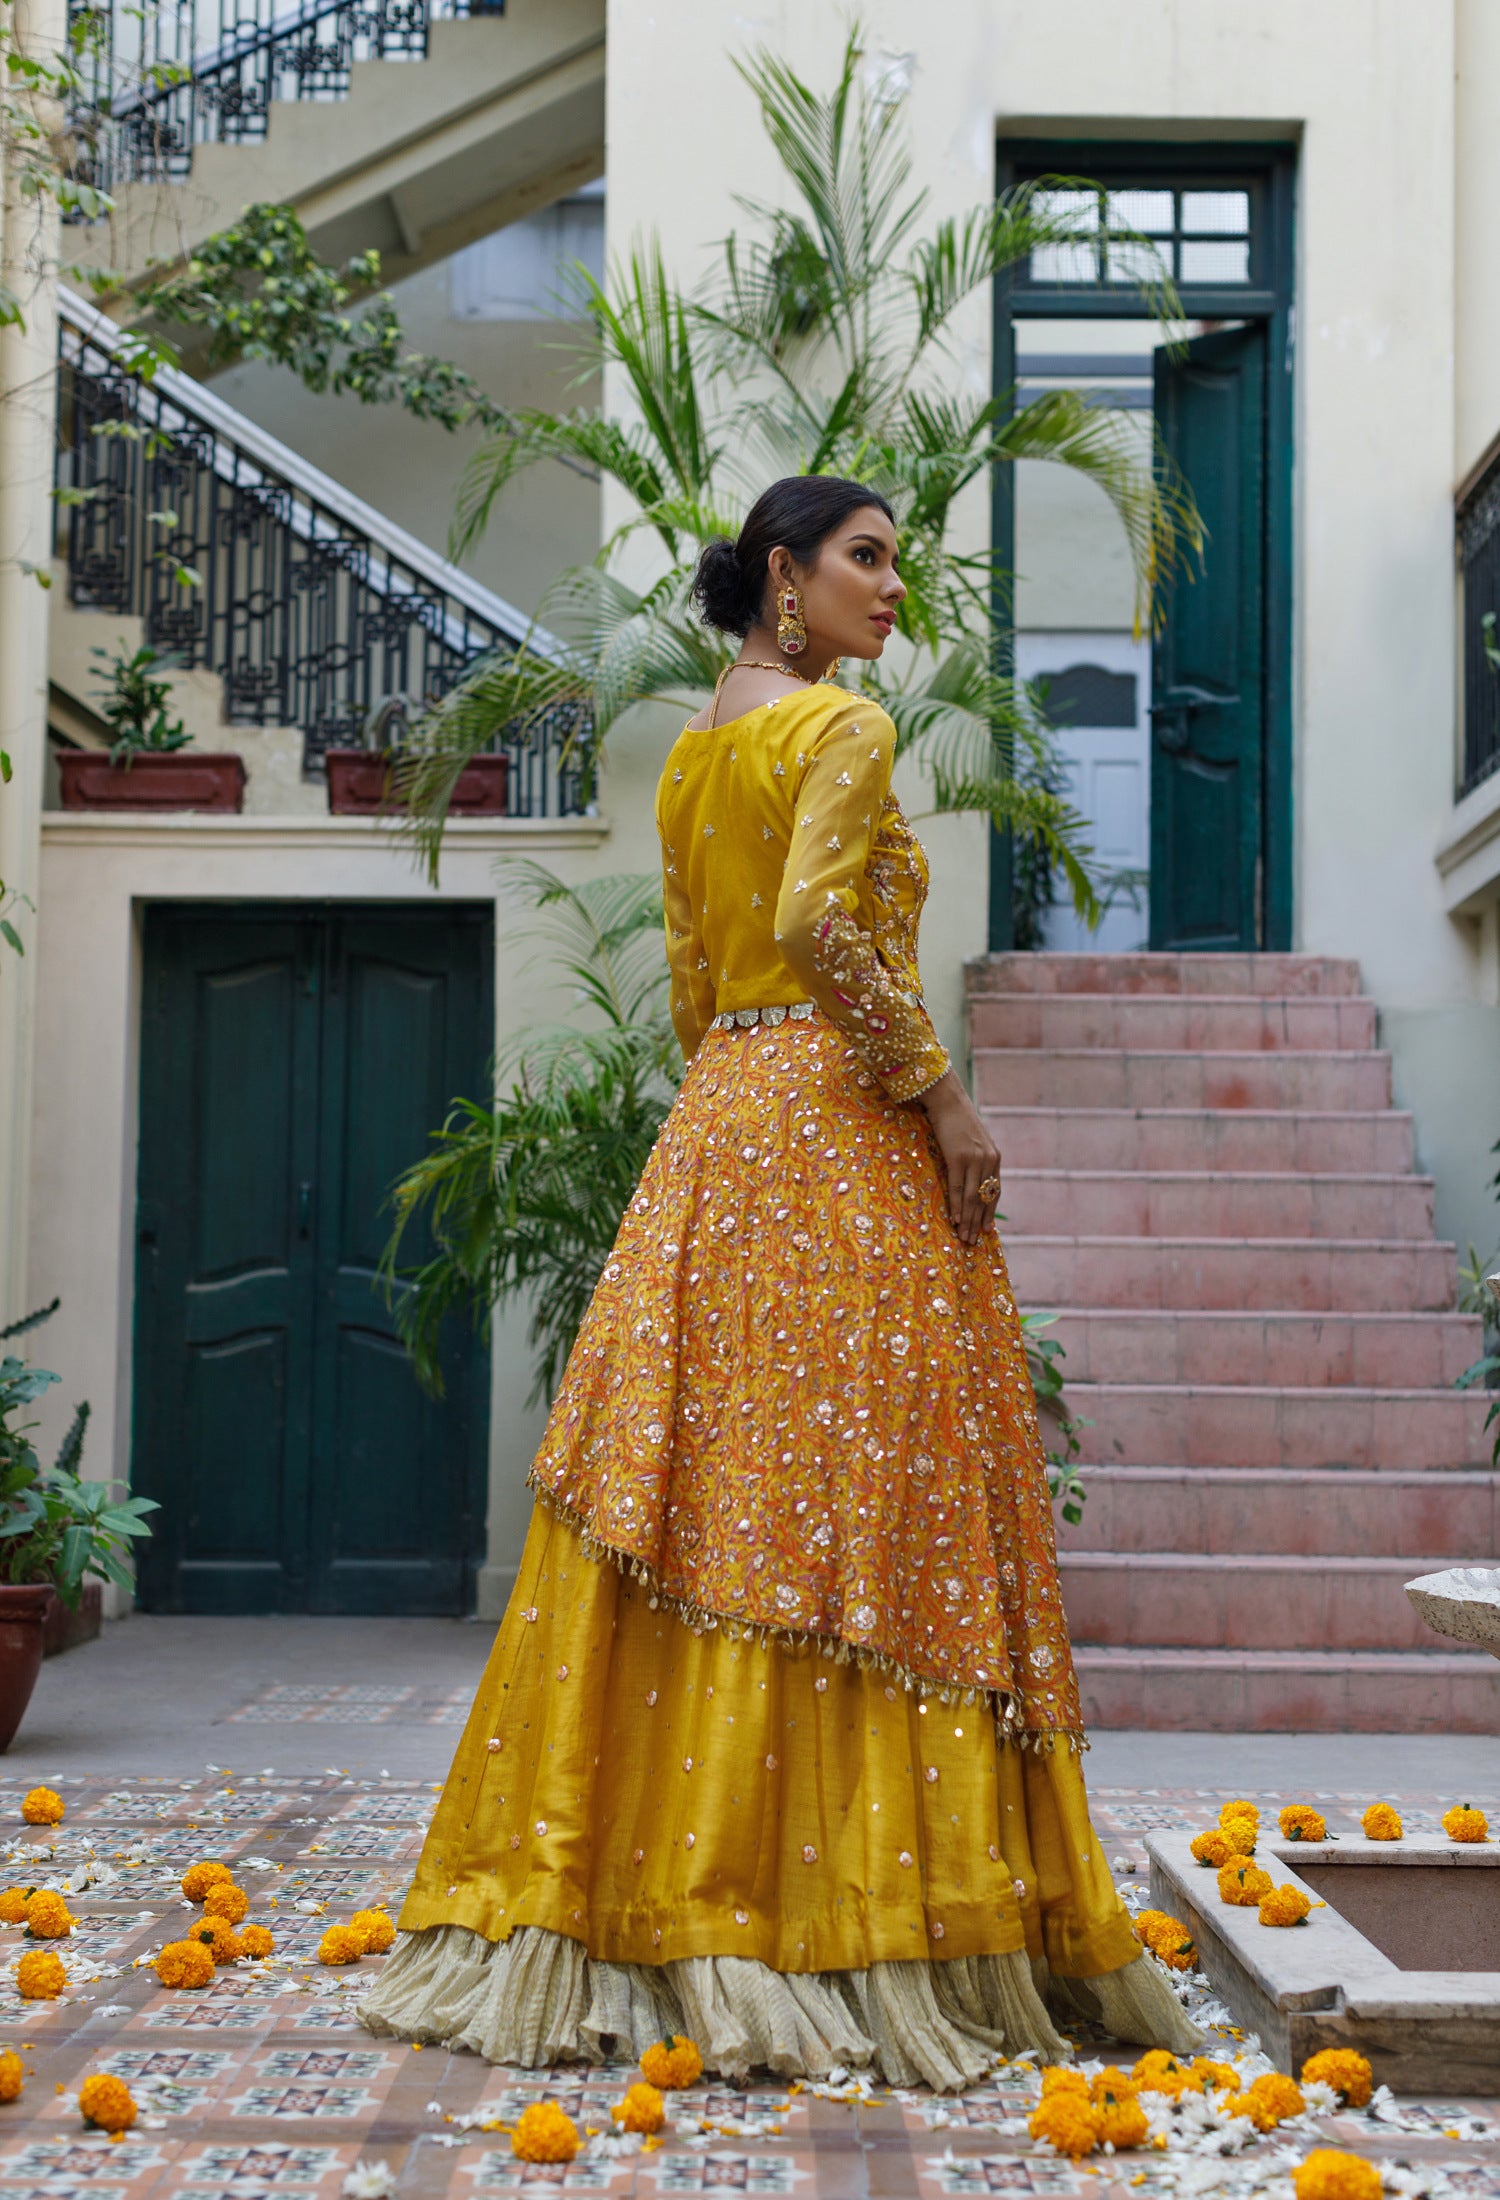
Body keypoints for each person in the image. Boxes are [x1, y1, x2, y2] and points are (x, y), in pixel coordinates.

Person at [358, 476, 1202, 2090]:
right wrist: (937, 1093)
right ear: (783, 579)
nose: (892, 590)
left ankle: (658, 1893)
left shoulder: (689, 756)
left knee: (717, 1497)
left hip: (725, 1128)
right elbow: (820, 920)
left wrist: (739, 1113)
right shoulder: (840, 731)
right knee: (864, 1507)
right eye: (866, 561)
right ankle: (860, 1906)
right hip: (838, 1123)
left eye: (895, 563)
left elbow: (699, 976)